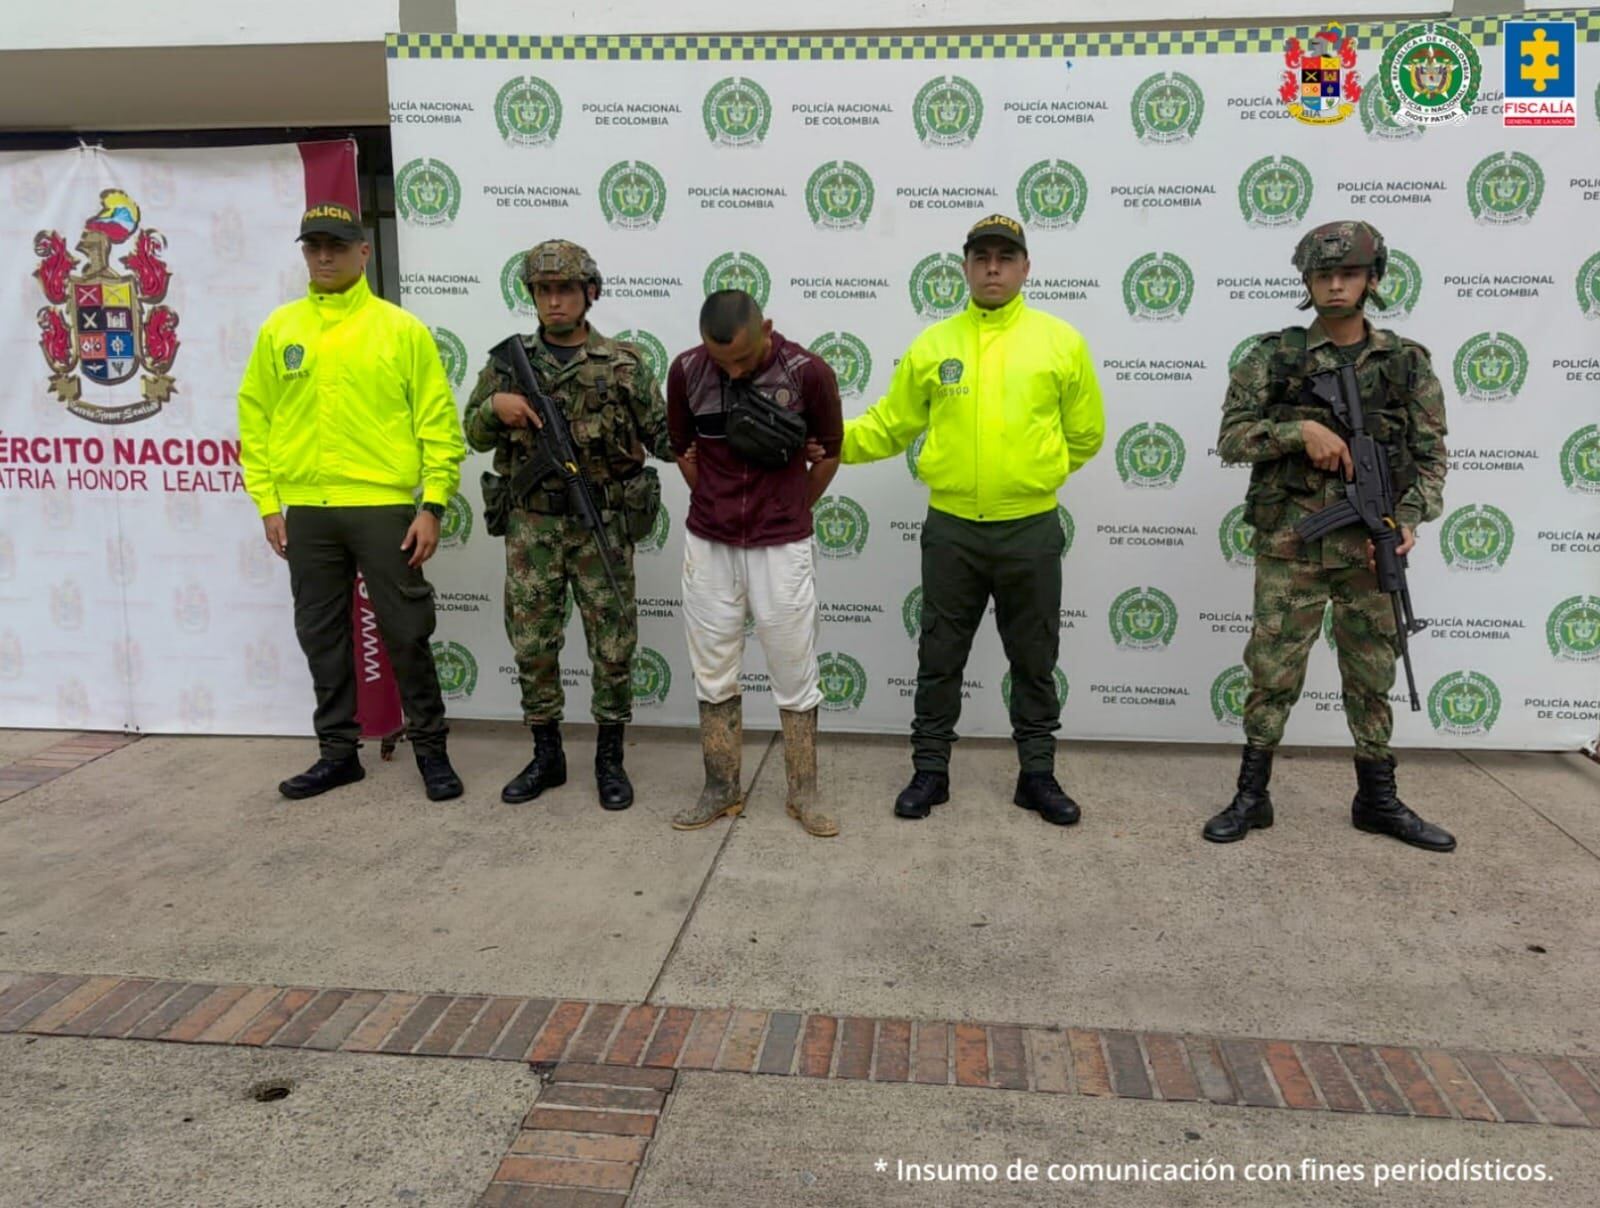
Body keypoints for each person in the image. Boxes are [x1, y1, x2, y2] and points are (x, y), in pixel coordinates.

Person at [839, 214, 1105, 824]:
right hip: (952, 529)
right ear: (964, 266)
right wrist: (829, 440)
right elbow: (889, 425)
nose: (993, 268)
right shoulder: (935, 345)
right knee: (939, 655)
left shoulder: (1060, 341)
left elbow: (1086, 432)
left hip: (1030, 528)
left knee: (1035, 658)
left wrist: (1034, 475)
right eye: (981, 257)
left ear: (1025, 267)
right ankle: (930, 772)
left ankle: (1037, 775)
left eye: (1005, 258)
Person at [1205, 219, 1455, 852]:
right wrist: (1299, 434)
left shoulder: (1406, 364)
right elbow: (1232, 439)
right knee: (1272, 671)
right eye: (1323, 274)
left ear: (1373, 280)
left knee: (1371, 672)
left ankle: (1377, 798)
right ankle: (1252, 796)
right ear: (1308, 281)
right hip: (1290, 547)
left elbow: (1431, 457)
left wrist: (1408, 520)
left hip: (1371, 550)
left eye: (1349, 274)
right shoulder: (1273, 357)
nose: (1336, 284)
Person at [237, 202, 467, 802]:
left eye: (336, 246)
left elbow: (438, 422)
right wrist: (267, 502)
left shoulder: (400, 329)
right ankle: (338, 754)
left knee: (407, 630)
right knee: (320, 633)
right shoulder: (280, 329)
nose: (324, 257)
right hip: (307, 509)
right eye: (313, 247)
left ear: (363, 252)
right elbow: (255, 418)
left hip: (383, 505)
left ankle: (432, 751)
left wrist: (433, 504)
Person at [463, 239, 673, 810]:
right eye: (543, 291)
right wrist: (494, 408)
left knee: (612, 643)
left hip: (600, 521)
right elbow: (473, 436)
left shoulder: (624, 364)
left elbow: (666, 440)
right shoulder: (508, 364)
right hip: (532, 528)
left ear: (590, 293)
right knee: (532, 642)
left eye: (564, 290)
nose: (553, 301)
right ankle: (546, 754)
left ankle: (610, 758)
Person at [665, 290, 844, 837]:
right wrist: (714, 503)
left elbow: (831, 450)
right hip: (710, 543)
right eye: (723, 362)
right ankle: (721, 788)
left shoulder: (809, 372)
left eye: (743, 359)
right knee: (713, 667)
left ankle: (803, 792)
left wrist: (791, 507)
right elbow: (682, 448)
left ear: (767, 327)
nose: (734, 370)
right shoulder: (688, 371)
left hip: (781, 544)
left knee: (794, 667)